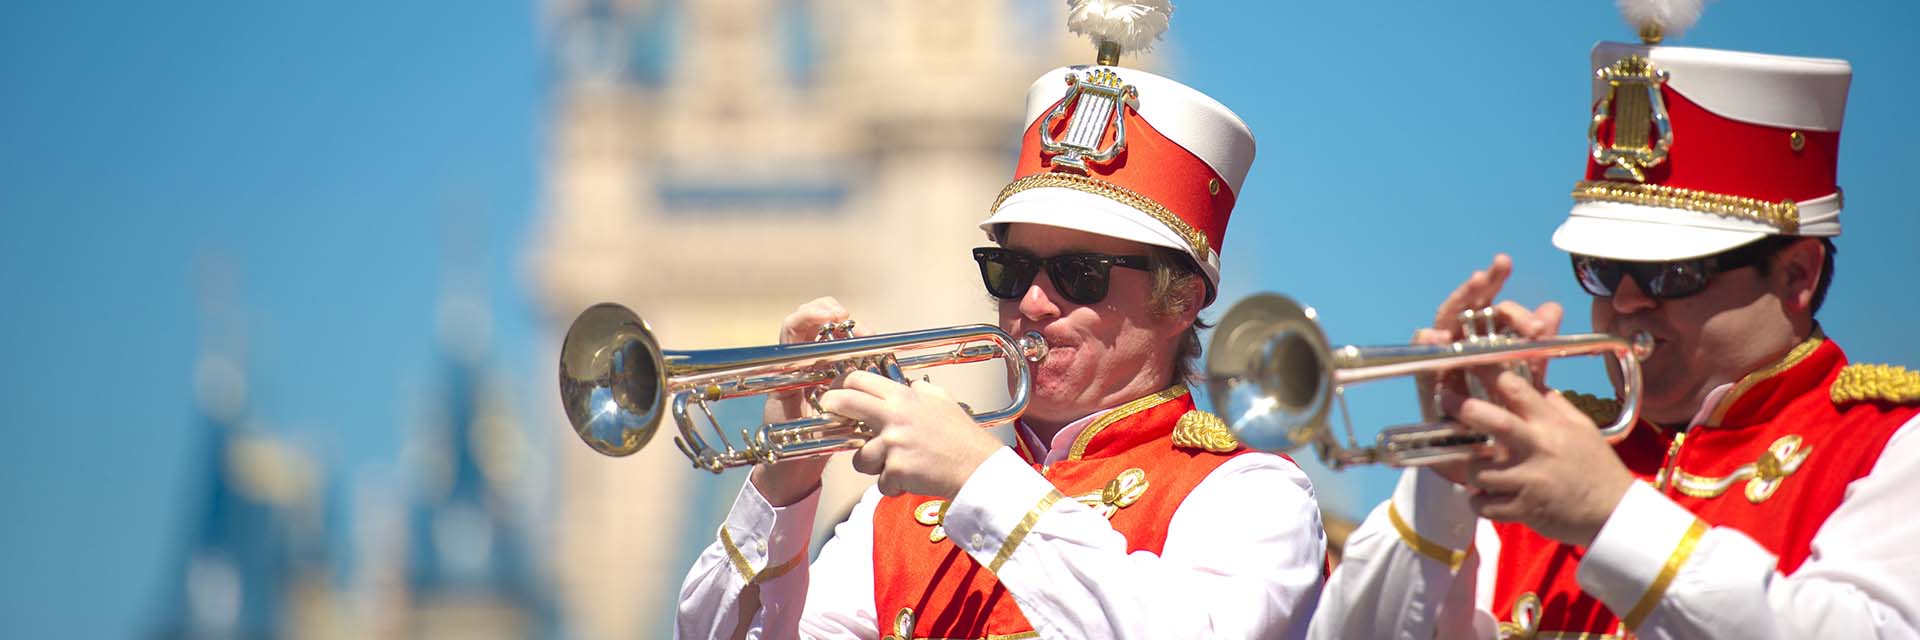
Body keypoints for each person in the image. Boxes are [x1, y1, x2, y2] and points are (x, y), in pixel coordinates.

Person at [676, 4, 1326, 639]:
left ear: (1180, 299)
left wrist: (981, 476)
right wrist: (782, 487)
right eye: (1011, 269)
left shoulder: (1251, 495)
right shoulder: (897, 508)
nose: (1034, 302)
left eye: (1080, 275)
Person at [1310, 4, 1920, 639]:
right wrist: (1441, 479)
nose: (1627, 302)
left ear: (1797, 274)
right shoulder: (1539, 452)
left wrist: (1611, 514)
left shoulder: (1891, 452)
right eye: (1601, 268)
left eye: (1672, 273)